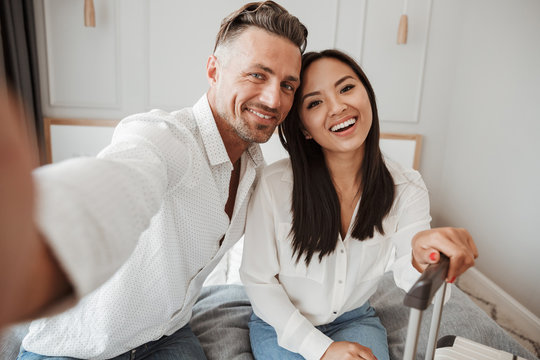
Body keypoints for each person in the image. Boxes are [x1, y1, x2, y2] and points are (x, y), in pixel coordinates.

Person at [1, 2, 308, 359]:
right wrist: (35, 243)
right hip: (75, 348)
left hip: (167, 338)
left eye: (288, 85)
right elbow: (120, 180)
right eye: (257, 75)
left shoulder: (256, 171)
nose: (274, 99)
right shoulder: (166, 138)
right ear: (213, 71)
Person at [239, 49, 478, 360]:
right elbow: (258, 280)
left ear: (367, 94)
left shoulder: (406, 186)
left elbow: (414, 272)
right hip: (282, 324)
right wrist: (322, 350)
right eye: (315, 102)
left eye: (346, 88)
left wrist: (425, 258)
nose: (338, 107)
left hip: (354, 319)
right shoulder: (273, 186)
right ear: (303, 128)